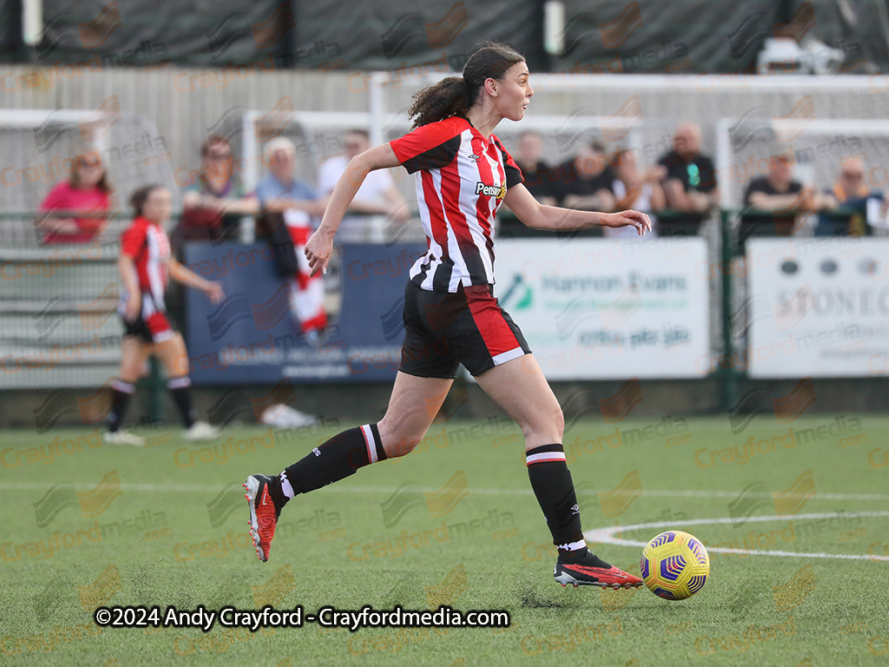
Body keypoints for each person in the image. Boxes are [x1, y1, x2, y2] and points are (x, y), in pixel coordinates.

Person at [243, 42, 650, 590]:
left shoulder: (495, 152)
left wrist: (607, 217)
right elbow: (364, 162)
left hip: (435, 297)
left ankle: (276, 490)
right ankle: (573, 554)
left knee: (399, 435)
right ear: (491, 87)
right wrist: (326, 230)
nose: (530, 91)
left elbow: (537, 214)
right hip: (462, 299)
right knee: (545, 420)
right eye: (523, 80)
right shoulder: (447, 136)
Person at [105, 185, 225, 445]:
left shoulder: (157, 231)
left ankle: (113, 431)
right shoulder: (139, 228)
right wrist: (135, 292)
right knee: (177, 357)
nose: (164, 207)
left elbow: (171, 267)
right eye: (157, 202)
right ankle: (191, 425)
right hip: (147, 307)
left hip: (145, 306)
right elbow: (124, 261)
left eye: (167, 201)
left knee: (131, 367)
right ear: (143, 205)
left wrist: (204, 285)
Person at [255, 137, 329, 338]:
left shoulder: (301, 185)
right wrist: (305, 206)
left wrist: (294, 204)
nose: (284, 163)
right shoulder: (264, 185)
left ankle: (313, 325)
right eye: (278, 158)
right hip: (280, 251)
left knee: (310, 287)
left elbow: (323, 205)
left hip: (304, 250)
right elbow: (270, 204)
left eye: (287, 158)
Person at [318, 129, 408, 243]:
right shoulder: (331, 166)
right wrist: (385, 208)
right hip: (331, 239)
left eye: (355, 145)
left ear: (367, 146)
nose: (350, 150)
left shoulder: (377, 171)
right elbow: (337, 200)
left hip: (361, 240)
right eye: (347, 145)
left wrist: (398, 209)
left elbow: (400, 206)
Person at [177, 136, 258, 247]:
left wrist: (215, 204)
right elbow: (189, 200)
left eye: (224, 156)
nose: (219, 160)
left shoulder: (238, 184)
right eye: (214, 156)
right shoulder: (195, 181)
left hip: (231, 245)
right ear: (204, 157)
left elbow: (253, 205)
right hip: (197, 245)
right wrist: (231, 206)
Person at [741, 150, 815, 252]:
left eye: (789, 162)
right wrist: (799, 199)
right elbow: (759, 202)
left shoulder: (796, 186)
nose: (785, 166)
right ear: (771, 165)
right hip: (754, 246)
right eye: (780, 162)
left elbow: (818, 200)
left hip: (784, 246)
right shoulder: (758, 184)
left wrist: (807, 196)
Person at [36, 150, 114, 244]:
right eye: (84, 165)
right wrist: (67, 227)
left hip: (88, 250)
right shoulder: (63, 189)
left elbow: (102, 223)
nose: (90, 169)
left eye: (95, 165)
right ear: (77, 169)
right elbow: (39, 219)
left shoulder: (103, 192)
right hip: (59, 249)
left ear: (102, 171)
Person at [656, 122, 718, 234]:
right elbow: (677, 200)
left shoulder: (704, 162)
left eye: (690, 139)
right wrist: (696, 203)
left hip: (699, 227)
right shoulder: (668, 162)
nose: (686, 143)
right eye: (682, 139)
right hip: (672, 228)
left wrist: (706, 201)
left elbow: (716, 193)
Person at [498, 130, 562, 237]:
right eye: (526, 145)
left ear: (540, 147)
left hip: (543, 233)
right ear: (519, 147)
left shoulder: (549, 173)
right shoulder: (507, 170)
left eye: (533, 145)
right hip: (512, 231)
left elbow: (558, 199)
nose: (530, 149)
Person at [816, 157, 889, 236]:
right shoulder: (829, 195)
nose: (853, 181)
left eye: (858, 176)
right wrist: (881, 196)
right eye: (848, 176)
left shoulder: (866, 196)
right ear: (840, 177)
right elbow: (847, 203)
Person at [606, 148, 664, 239]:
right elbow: (624, 206)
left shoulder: (646, 183)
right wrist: (643, 180)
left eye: (634, 163)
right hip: (620, 239)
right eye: (627, 163)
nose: (632, 167)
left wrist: (653, 180)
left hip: (647, 238)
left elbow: (659, 206)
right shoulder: (613, 185)